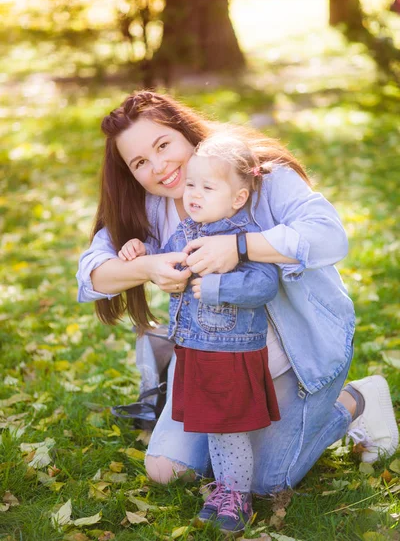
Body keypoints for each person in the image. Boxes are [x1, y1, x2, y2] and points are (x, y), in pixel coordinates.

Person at [76, 90, 398, 500]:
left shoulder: (260, 176)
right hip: (214, 362)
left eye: (163, 145)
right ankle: (169, 361)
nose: (159, 167)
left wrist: (241, 247)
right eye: (140, 162)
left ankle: (357, 398)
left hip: (296, 356)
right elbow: (92, 274)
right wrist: (147, 268)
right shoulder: (151, 207)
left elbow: (331, 236)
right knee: (166, 471)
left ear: (186, 133)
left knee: (267, 483)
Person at [118, 132, 282, 533]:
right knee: (211, 424)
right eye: (191, 184)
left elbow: (264, 284)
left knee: (229, 429)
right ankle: (225, 486)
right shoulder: (189, 229)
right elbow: (170, 263)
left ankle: (237, 495)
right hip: (193, 347)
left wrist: (216, 286)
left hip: (230, 352)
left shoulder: (246, 236)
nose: (193, 193)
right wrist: (142, 255)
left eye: (207, 187)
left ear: (238, 198)